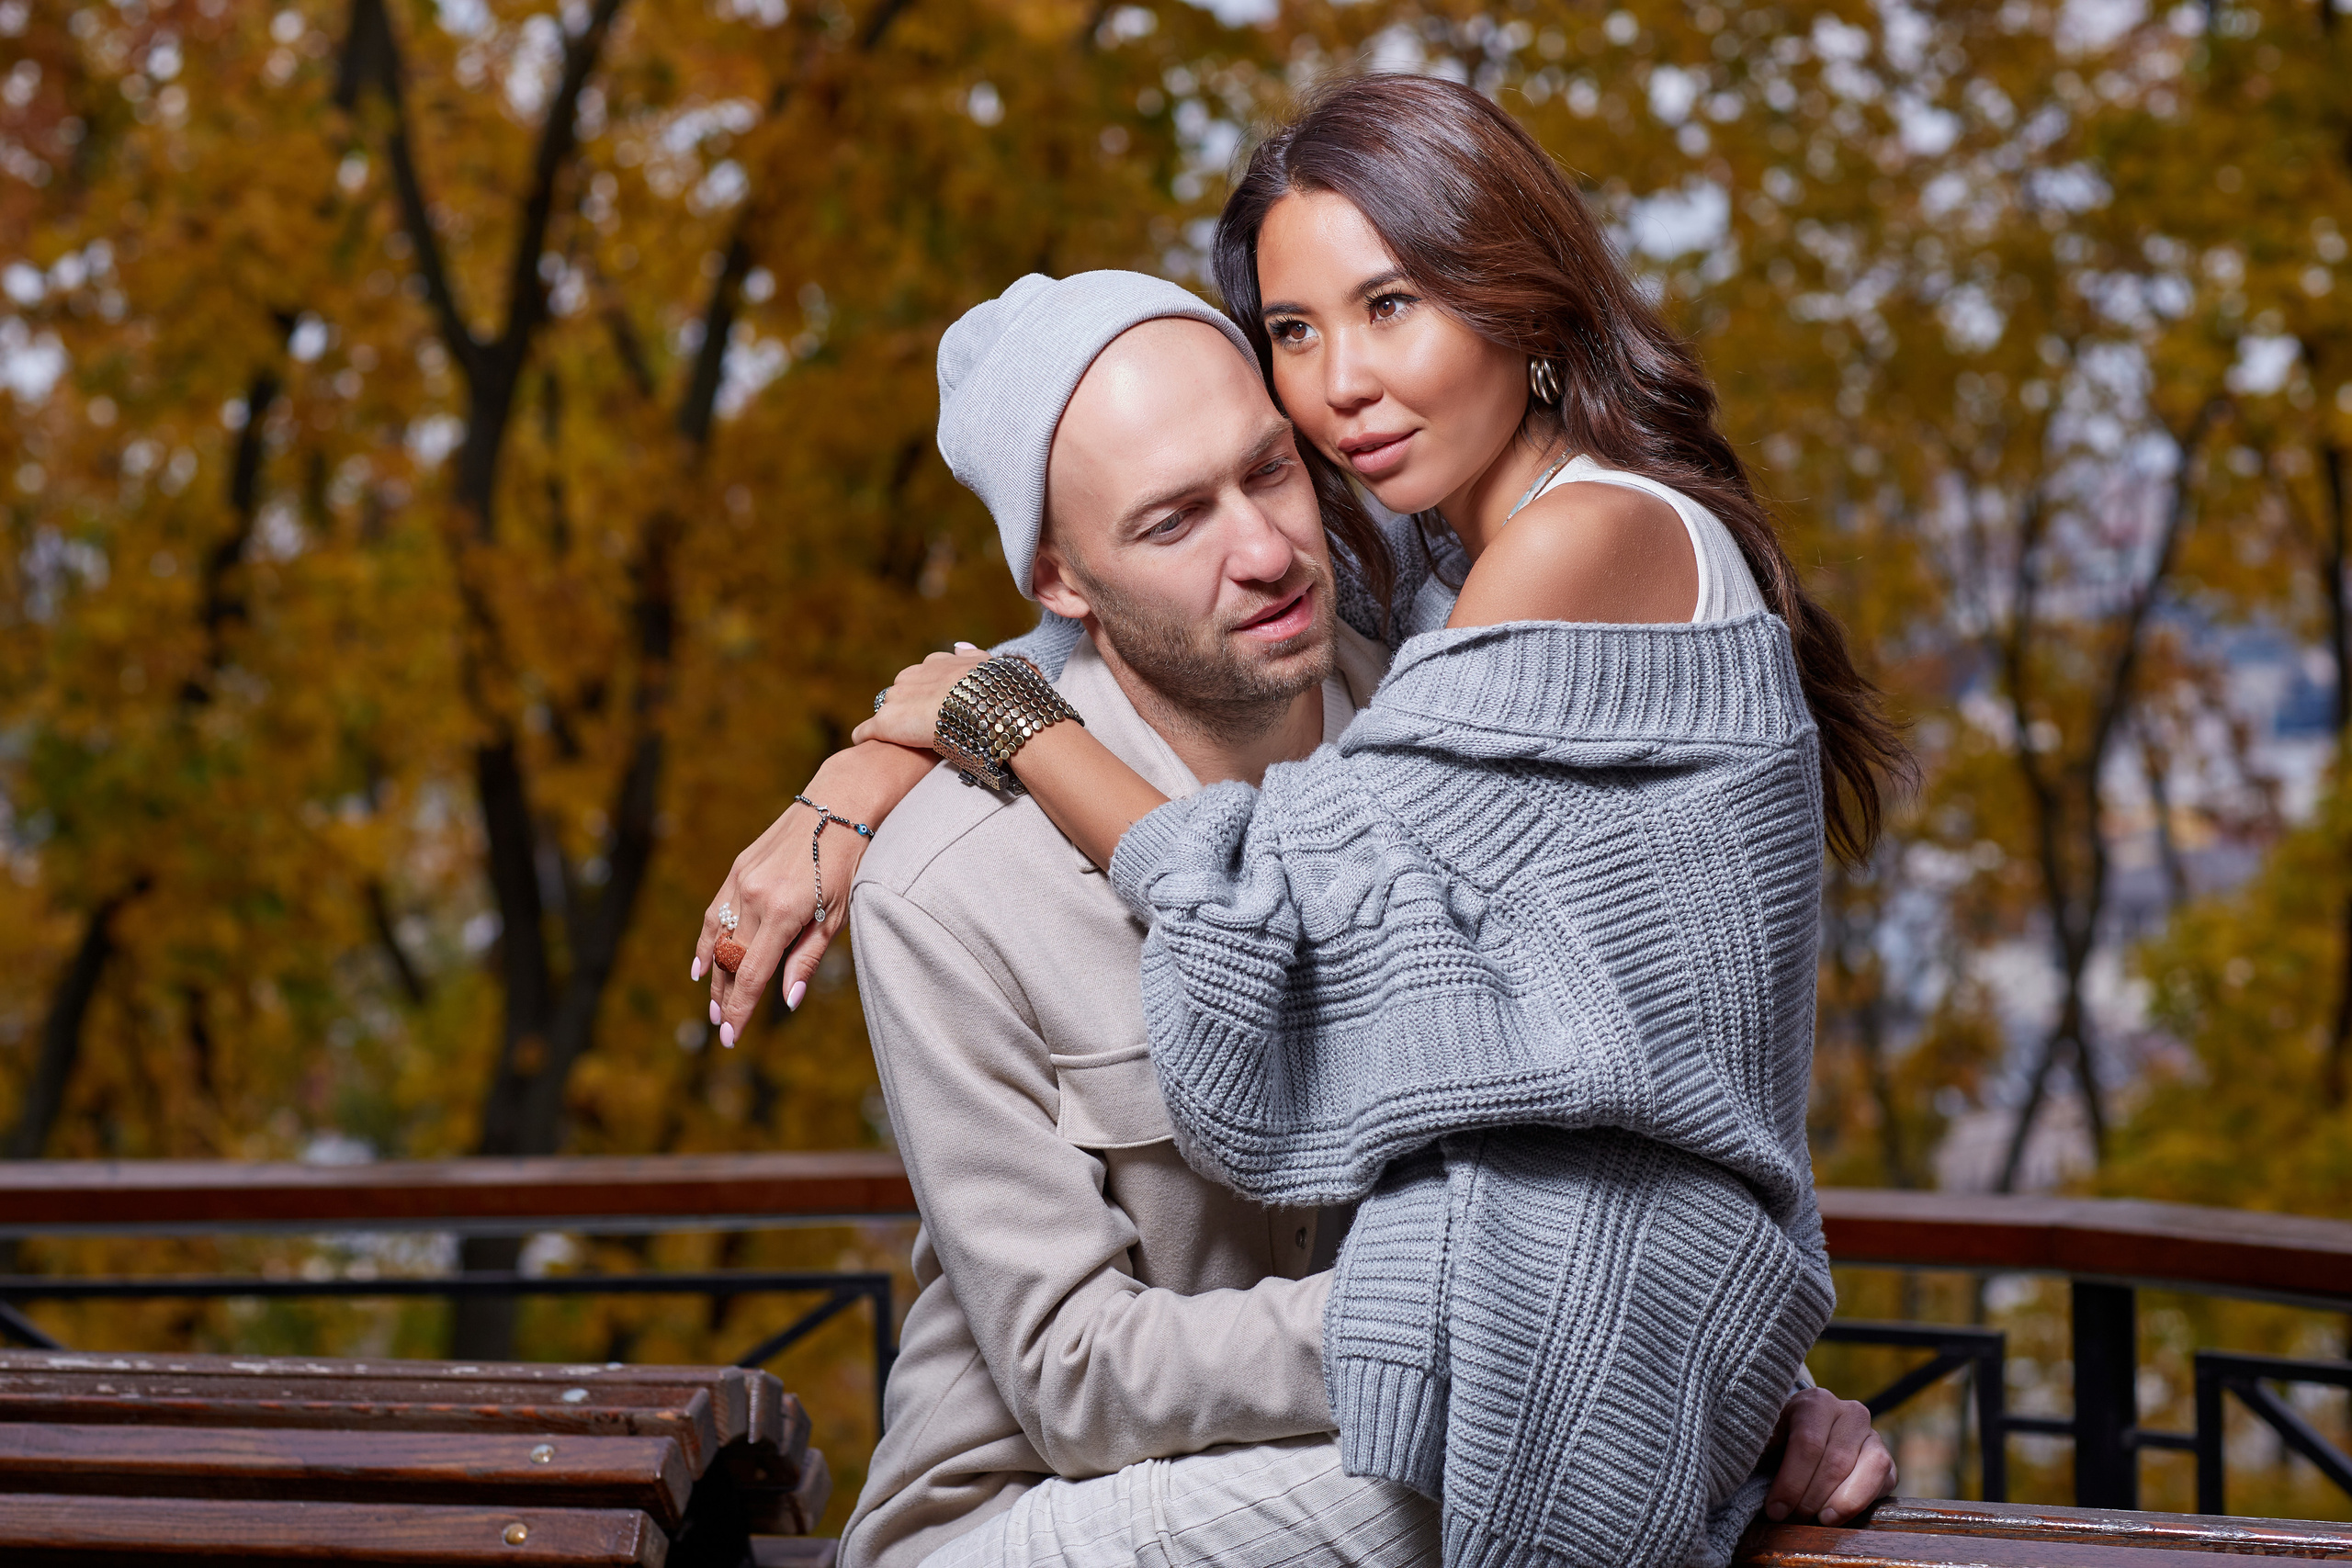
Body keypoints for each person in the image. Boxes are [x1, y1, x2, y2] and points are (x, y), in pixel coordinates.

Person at [823, 273, 1894, 1568]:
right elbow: (1076, 1378)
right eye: (1173, 522)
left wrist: (1716, 1368)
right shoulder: (948, 887)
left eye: (1269, 474)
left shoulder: (1451, 729)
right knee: (1511, 1480)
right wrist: (1525, 1334)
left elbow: (1604, 1112)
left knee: (1562, 1469)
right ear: (1060, 575)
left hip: (1372, 1457)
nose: (1266, 552)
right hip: (1019, 1519)